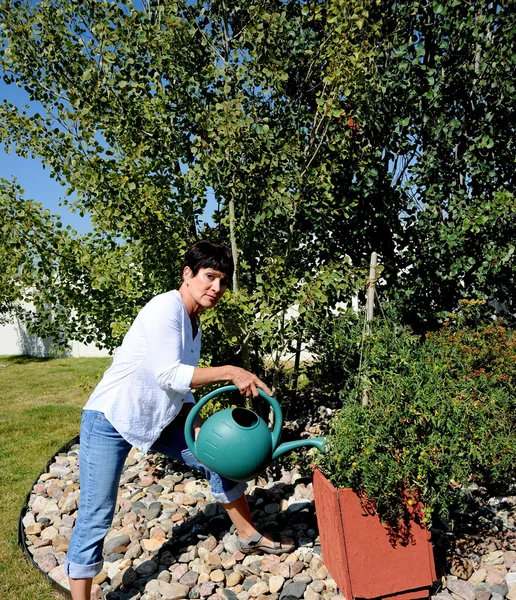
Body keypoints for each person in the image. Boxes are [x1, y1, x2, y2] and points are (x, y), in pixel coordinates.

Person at [65, 240, 294, 600]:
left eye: (222, 281)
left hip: (158, 420)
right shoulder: (165, 309)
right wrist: (231, 371)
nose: (216, 288)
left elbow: (181, 389)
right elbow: (169, 374)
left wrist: (198, 426)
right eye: (209, 277)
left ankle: (249, 535)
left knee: (217, 455)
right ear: (187, 274)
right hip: (110, 418)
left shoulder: (193, 325)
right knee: (97, 512)